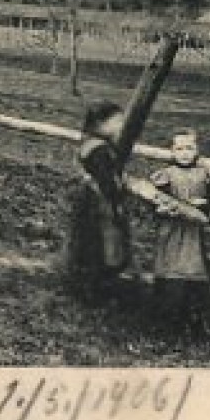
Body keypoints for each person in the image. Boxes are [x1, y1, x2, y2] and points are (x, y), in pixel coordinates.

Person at [147, 129, 210, 321]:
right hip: (172, 230)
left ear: (197, 150)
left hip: (195, 232)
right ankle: (165, 314)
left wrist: (204, 204)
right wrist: (161, 209)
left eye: (189, 148)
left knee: (195, 268)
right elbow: (155, 201)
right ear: (172, 151)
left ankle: (194, 315)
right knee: (170, 266)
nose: (184, 153)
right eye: (179, 148)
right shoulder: (165, 175)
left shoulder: (204, 174)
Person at [65, 101, 135, 300]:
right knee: (103, 243)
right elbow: (106, 181)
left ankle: (86, 283)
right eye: (117, 122)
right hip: (100, 202)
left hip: (88, 200)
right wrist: (118, 198)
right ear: (100, 124)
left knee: (88, 241)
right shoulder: (100, 150)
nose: (121, 126)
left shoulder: (88, 143)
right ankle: (95, 289)